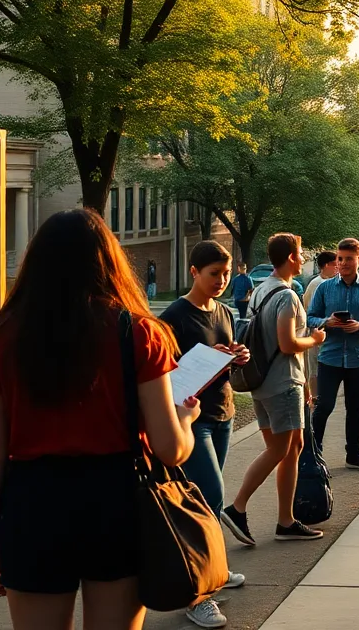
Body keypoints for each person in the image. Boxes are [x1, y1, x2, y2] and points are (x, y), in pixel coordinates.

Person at [0, 209, 200, 630]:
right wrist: (186, 417)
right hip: (115, 499)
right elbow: (170, 448)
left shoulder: (2, 336)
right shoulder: (138, 332)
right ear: (108, 261)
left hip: (32, 501)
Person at [159, 241, 250, 628]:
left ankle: (213, 567)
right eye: (214, 274)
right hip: (191, 420)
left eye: (226, 274)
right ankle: (198, 596)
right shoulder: (175, 315)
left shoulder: (225, 311)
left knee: (209, 502)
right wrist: (199, 358)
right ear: (194, 271)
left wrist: (235, 356)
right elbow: (163, 372)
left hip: (223, 412)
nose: (221, 281)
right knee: (208, 497)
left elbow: (221, 365)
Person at [222, 233, 326, 546]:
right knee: (280, 450)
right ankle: (237, 507)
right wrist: (315, 339)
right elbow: (288, 343)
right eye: (300, 253)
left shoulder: (260, 290)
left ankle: (286, 521)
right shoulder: (287, 295)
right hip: (283, 383)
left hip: (263, 383)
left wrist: (305, 383)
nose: (304, 257)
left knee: (290, 449)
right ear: (290, 258)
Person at [307, 238, 359, 472]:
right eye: (340, 259)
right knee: (324, 406)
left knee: (355, 408)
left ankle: (353, 454)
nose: (343, 263)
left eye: (349, 259)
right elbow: (310, 318)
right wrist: (326, 322)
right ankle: (312, 454)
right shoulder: (324, 287)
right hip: (329, 358)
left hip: (357, 358)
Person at [302, 251, 338, 394]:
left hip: (322, 331)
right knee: (315, 368)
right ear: (326, 265)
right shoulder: (319, 284)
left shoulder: (323, 282)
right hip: (317, 331)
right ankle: (315, 398)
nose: (337, 268)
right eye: (335, 265)